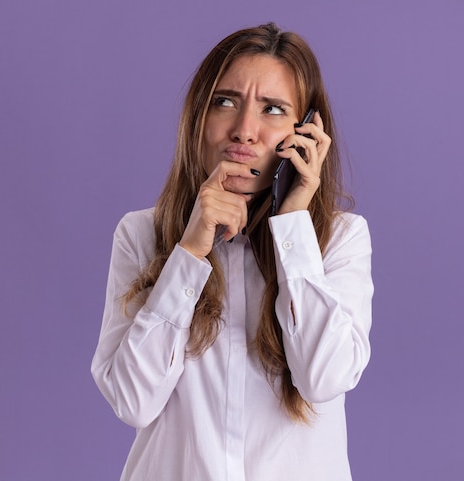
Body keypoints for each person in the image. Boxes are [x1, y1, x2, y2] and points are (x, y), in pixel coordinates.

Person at [91, 22, 373, 481]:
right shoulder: (141, 234)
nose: (245, 131)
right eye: (225, 101)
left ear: (306, 133)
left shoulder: (339, 240)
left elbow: (324, 378)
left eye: (273, 109)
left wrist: (294, 228)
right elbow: (131, 400)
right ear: (198, 117)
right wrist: (189, 253)